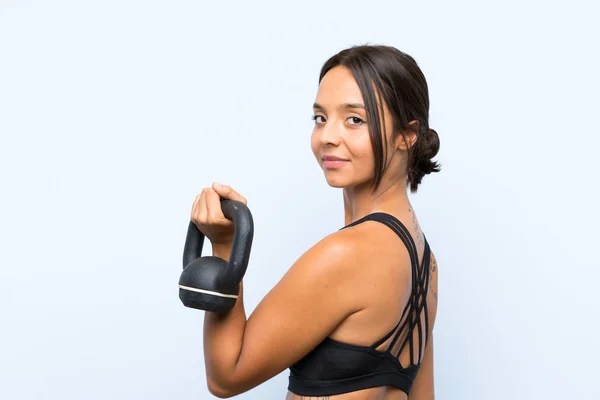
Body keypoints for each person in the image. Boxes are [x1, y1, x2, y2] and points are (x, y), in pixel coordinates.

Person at [190, 44, 441, 399]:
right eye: (320, 118)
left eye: (355, 119)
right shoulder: (424, 262)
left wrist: (225, 249)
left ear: (407, 134)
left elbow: (226, 377)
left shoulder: (346, 255)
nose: (328, 136)